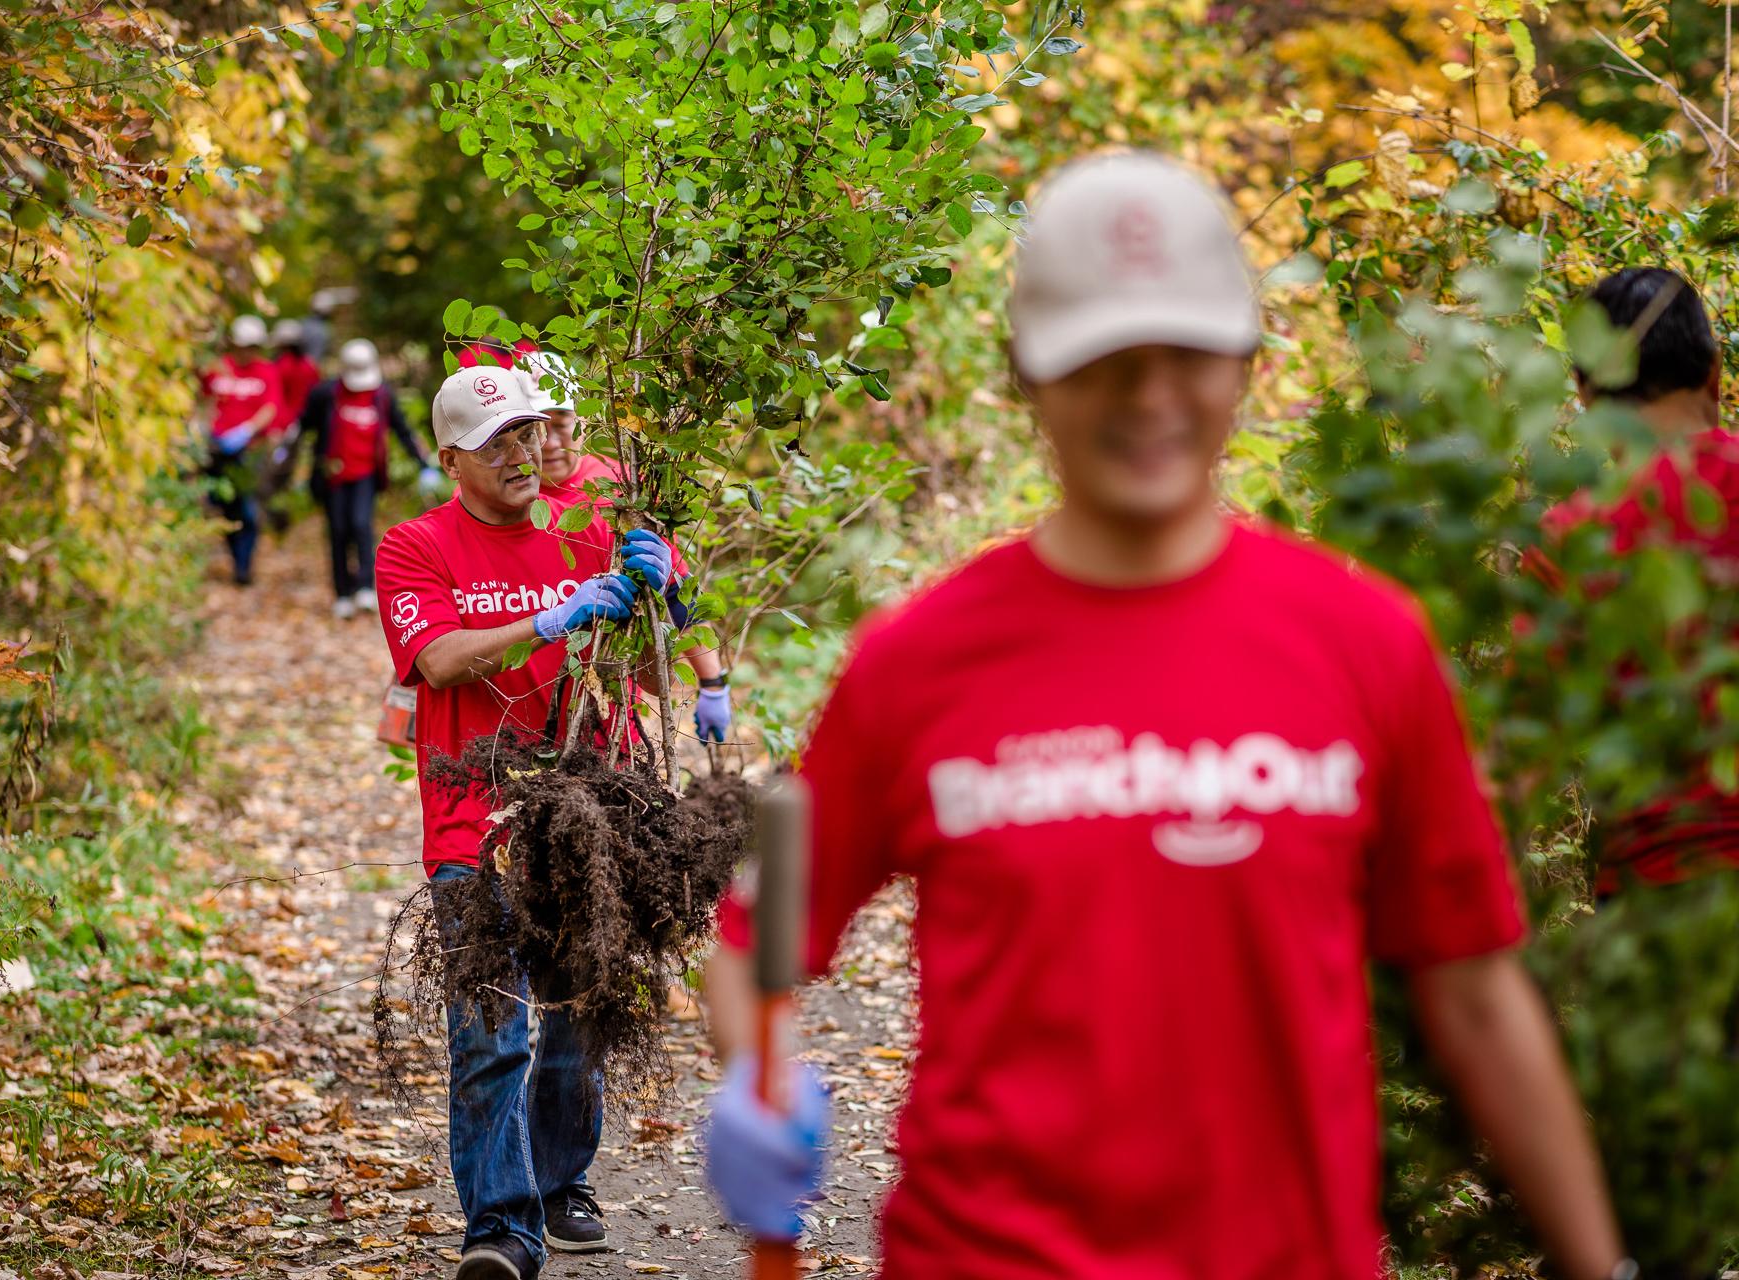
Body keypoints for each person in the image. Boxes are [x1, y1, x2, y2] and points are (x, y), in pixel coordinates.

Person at [699, 153, 1628, 1278]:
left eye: (1184, 355)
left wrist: (1598, 1260)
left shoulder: (1364, 640)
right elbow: (758, 947)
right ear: (1026, 375)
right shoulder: (917, 662)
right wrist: (763, 1080)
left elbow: (1475, 987)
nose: (1148, 398)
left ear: (1243, 363)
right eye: (1102, 362)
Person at [375, 365, 688, 1280]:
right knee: (490, 1031)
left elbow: (655, 681)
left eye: (525, 434)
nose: (518, 455)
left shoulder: (589, 532)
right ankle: (502, 1231)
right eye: (493, 443)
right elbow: (435, 661)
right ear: (449, 459)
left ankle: (560, 1183)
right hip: (473, 818)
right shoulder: (414, 545)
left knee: (579, 1018)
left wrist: (658, 599)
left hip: (586, 813)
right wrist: (553, 619)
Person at [1530, 267, 1739, 890]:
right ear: (1714, 373)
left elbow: (1531, 743)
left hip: (1653, 895)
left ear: (1586, 395)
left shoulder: (1571, 536)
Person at [528, 356, 734, 745]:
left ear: (582, 422)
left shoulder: (620, 486)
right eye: (535, 430)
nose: (551, 443)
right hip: (516, 702)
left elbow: (679, 594)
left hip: (610, 715)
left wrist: (713, 684)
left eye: (560, 425)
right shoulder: (497, 497)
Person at [301, 339, 440, 619]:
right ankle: (342, 593)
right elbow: (304, 425)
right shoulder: (326, 393)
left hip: (366, 474)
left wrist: (424, 464)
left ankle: (365, 586)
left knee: (361, 525)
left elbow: (403, 431)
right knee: (338, 531)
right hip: (333, 475)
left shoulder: (381, 396)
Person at [200, 314, 283, 585]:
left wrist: (247, 430)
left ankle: (244, 565)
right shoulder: (218, 368)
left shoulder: (266, 371)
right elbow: (202, 399)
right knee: (226, 509)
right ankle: (236, 557)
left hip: (249, 451)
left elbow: (270, 408)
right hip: (218, 450)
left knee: (247, 510)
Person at [262, 318, 323, 534]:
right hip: (302, 428)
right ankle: (284, 517)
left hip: (283, 428)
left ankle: (278, 521)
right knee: (289, 474)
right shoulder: (310, 366)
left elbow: (276, 399)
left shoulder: (279, 367)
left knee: (273, 477)